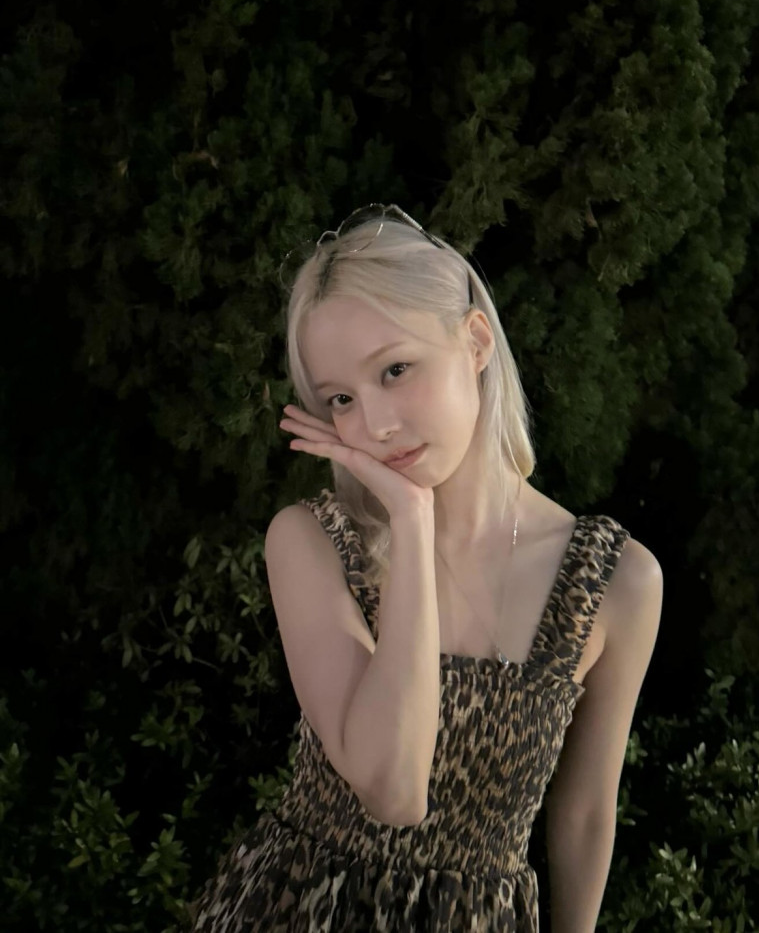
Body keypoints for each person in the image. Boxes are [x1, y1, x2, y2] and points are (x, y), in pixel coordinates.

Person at [187, 204, 663, 932]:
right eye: (341, 399)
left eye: (396, 369)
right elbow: (393, 790)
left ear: (475, 341)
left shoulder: (614, 580)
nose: (375, 424)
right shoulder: (312, 542)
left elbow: (585, 812)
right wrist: (410, 523)